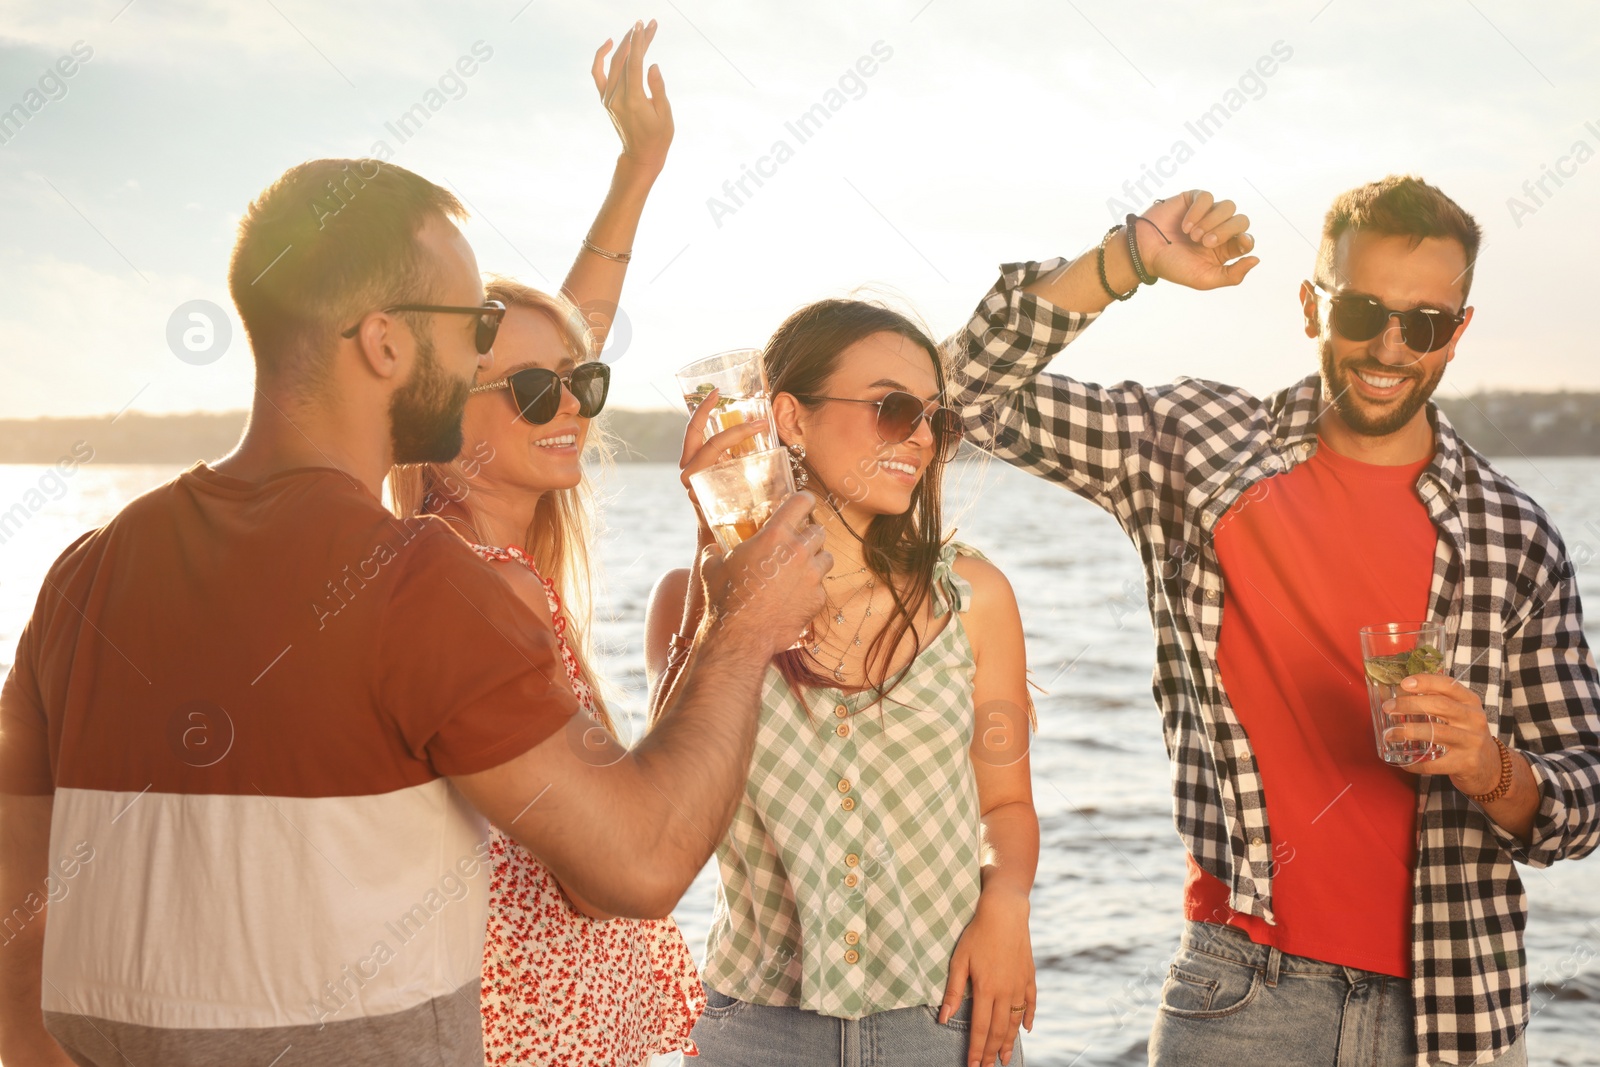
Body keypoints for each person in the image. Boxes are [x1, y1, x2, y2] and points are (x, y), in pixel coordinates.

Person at [0, 135, 828, 1067]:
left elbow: (18, 944)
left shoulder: (83, 577)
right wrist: (743, 620)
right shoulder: (420, 584)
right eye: (471, 323)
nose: (482, 341)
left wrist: (636, 169)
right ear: (386, 340)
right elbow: (638, 863)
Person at [949, 177, 1600, 1065]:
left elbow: (1584, 799)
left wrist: (1491, 767)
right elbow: (960, 396)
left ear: (1458, 334)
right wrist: (1125, 260)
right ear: (1312, 306)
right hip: (1244, 999)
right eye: (1364, 309)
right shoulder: (1197, 447)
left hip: (1461, 1011)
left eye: (1426, 324)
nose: (1390, 345)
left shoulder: (1512, 534)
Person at [385, 26, 704, 1063]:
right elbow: (606, 859)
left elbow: (560, 341)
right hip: (536, 1025)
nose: (567, 404)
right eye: (530, 393)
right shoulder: (485, 587)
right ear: (438, 422)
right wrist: (732, 622)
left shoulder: (477, 558)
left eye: (583, 383)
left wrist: (637, 168)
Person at [646, 298, 1040, 1067]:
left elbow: (1006, 803)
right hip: (753, 1034)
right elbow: (665, 813)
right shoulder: (691, 600)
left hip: (949, 1022)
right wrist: (713, 552)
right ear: (789, 418)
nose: (922, 436)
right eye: (893, 408)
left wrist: (1007, 903)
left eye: (936, 417)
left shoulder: (976, 597)